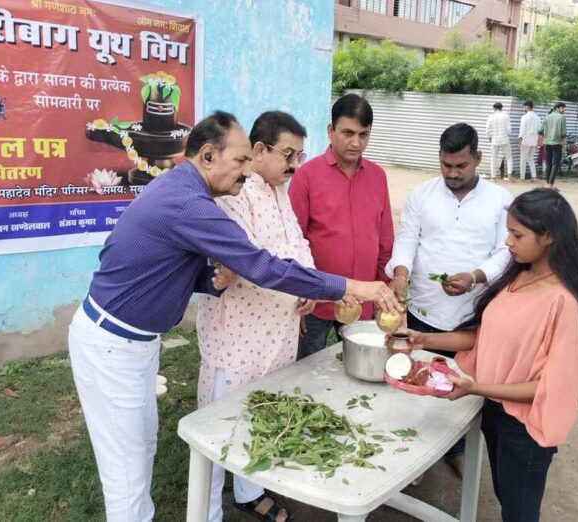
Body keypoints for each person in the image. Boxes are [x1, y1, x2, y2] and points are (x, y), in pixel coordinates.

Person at [67, 111, 402, 522]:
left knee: (140, 446)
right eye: (241, 161)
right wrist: (353, 287)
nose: (247, 174)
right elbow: (264, 266)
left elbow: (164, 267)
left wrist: (212, 280)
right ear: (208, 156)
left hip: (132, 341)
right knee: (126, 466)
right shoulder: (191, 204)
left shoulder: (189, 192)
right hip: (113, 343)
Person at [409, 188, 578, 522]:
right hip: (495, 411)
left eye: (517, 234)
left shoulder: (563, 302)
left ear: (548, 238)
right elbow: (482, 335)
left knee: (519, 511)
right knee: (506, 495)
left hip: (524, 427)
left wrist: (476, 387)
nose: (508, 242)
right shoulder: (518, 277)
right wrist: (422, 338)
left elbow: (546, 386)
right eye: (508, 232)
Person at [196, 111, 315, 522]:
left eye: (300, 155)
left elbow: (297, 244)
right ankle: (205, 509)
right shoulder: (236, 190)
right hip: (238, 332)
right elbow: (252, 260)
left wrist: (308, 285)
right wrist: (309, 282)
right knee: (219, 423)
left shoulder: (281, 190)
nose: (295, 164)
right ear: (259, 150)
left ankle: (250, 491)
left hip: (277, 329)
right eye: (288, 154)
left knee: (263, 411)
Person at [387, 123, 513, 477]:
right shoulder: (422, 195)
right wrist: (400, 273)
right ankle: (416, 457)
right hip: (423, 309)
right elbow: (408, 238)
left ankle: (455, 448)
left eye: (461, 166)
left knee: (460, 387)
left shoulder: (500, 201)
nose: (453, 174)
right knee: (417, 381)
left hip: (470, 316)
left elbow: (505, 251)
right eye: (446, 166)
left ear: (478, 158)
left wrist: (475, 276)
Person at [290, 94, 394, 359]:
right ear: (330, 131)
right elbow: (294, 240)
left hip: (365, 301)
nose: (355, 142)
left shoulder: (378, 176)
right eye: (348, 133)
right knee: (307, 369)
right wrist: (301, 294)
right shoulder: (306, 175)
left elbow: (384, 240)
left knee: (359, 368)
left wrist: (383, 289)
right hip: (316, 301)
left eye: (363, 135)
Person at [539, 102, 567, 189]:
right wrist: (564, 143)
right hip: (557, 143)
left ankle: (547, 183)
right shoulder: (561, 117)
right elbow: (563, 132)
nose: (564, 110)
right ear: (557, 108)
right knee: (555, 164)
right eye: (562, 108)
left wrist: (540, 141)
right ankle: (550, 184)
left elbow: (541, 130)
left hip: (547, 143)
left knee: (548, 163)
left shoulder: (547, 117)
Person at [485, 102, 513, 181]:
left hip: (495, 140)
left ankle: (493, 177)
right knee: (509, 157)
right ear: (501, 108)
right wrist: (507, 134)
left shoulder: (490, 117)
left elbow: (487, 130)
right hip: (505, 140)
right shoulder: (506, 116)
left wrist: (490, 137)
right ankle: (509, 175)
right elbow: (509, 130)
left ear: (494, 108)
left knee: (493, 158)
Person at [518, 100, 540, 182]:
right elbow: (539, 130)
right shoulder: (537, 117)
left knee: (523, 159)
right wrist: (538, 141)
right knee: (531, 158)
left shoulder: (525, 117)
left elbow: (522, 130)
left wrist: (519, 141)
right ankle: (534, 176)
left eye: (524, 106)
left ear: (527, 107)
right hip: (534, 140)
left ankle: (522, 178)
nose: (524, 108)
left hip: (526, 140)